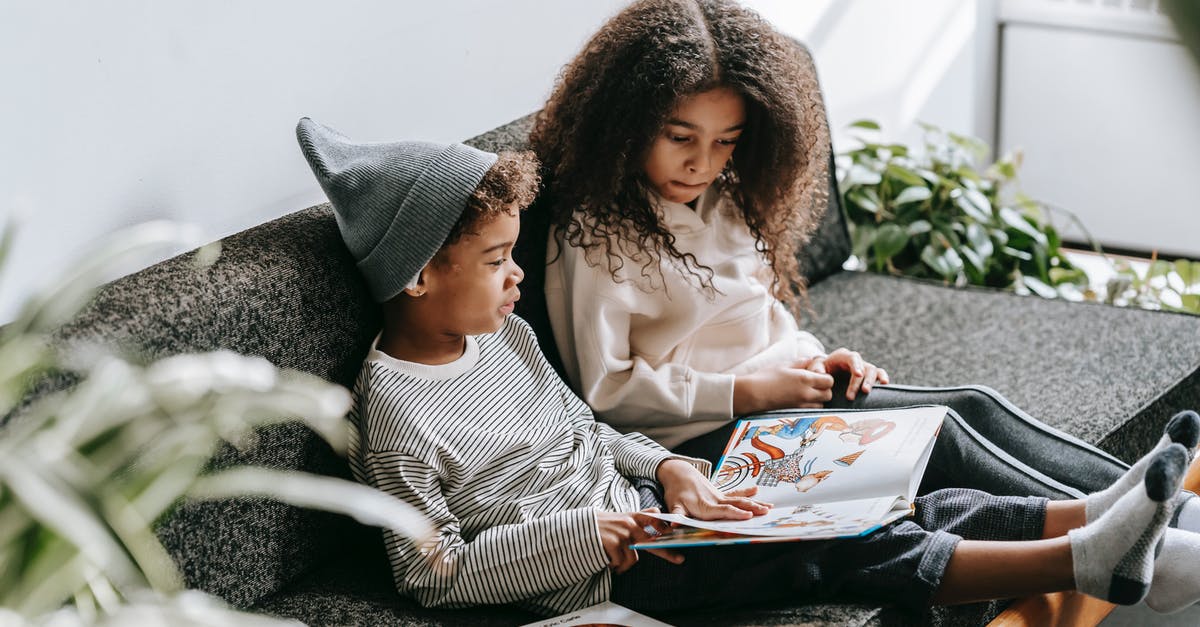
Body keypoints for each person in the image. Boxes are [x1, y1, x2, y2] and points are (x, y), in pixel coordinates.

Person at [293, 117, 1200, 617]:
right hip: (619, 565)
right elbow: (431, 573)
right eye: (496, 261)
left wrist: (671, 465)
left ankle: (1104, 519)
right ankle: (1083, 559)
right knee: (843, 538)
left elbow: (587, 428)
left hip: (659, 507)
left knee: (879, 488)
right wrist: (595, 536)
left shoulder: (505, 340)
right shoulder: (395, 416)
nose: (517, 276)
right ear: (418, 276)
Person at [531, 0, 1200, 528]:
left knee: (974, 403)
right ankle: (1146, 523)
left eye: (726, 141)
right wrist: (751, 393)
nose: (702, 163)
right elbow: (604, 393)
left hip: (778, 399)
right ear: (625, 121)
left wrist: (814, 356)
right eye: (680, 138)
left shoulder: (726, 198)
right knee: (940, 438)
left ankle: (1161, 504)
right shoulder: (592, 235)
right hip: (703, 441)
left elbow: (758, 317)